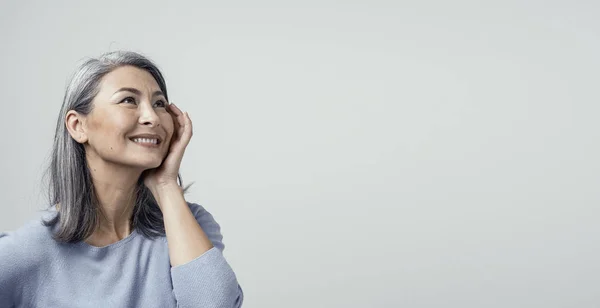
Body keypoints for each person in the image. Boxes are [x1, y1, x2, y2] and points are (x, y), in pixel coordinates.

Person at [0, 51, 244, 307]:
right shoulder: (29, 251)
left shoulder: (189, 225)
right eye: (129, 100)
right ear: (77, 126)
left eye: (160, 104)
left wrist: (165, 184)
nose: (151, 117)